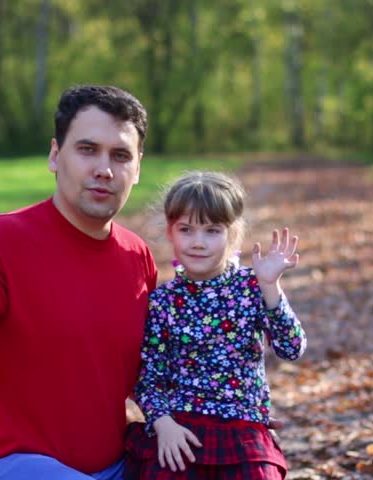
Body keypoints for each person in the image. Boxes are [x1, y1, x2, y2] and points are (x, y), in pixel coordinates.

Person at [0, 85, 157, 480]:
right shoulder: (1, 242)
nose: (104, 169)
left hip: (110, 468)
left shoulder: (136, 255)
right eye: (87, 149)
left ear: (138, 167)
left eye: (120, 155)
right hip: (1, 466)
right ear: (56, 156)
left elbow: (151, 373)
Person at [124, 171, 307, 479]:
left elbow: (291, 348)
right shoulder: (162, 301)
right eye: (186, 229)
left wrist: (270, 288)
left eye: (212, 231)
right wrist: (162, 423)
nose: (198, 242)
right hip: (180, 426)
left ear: (232, 234)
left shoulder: (252, 286)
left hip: (242, 429)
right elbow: (148, 376)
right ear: (170, 232)